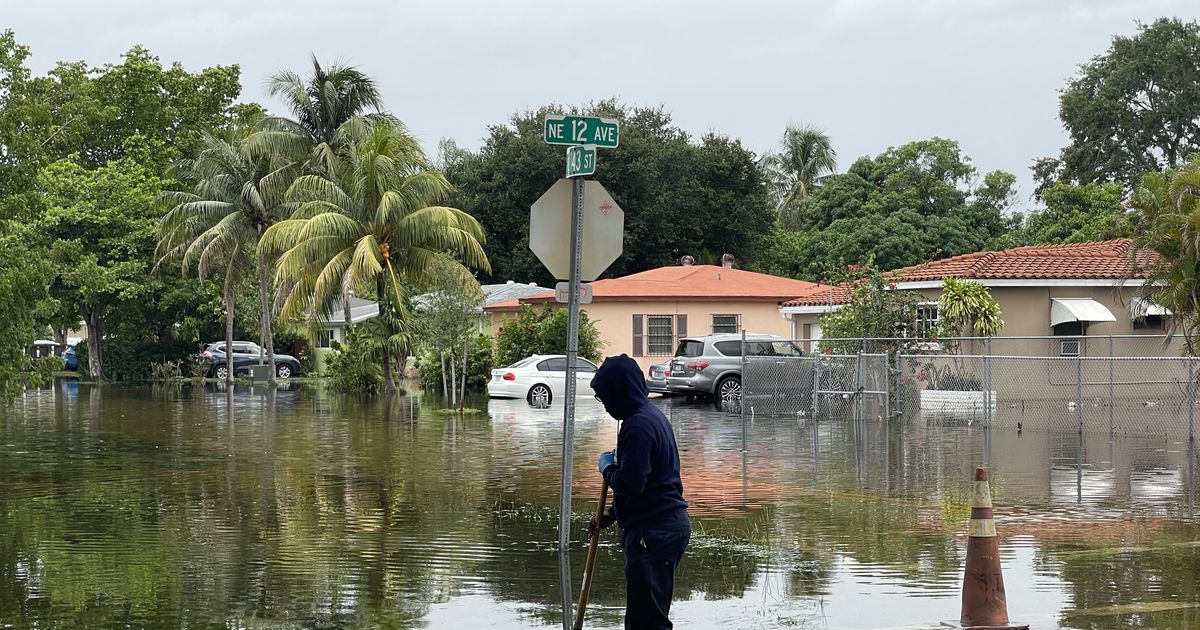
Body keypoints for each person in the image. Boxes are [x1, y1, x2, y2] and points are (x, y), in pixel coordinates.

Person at [589, 354, 689, 630]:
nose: (606, 405)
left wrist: (607, 468)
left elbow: (632, 484)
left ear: (622, 392)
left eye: (606, 397)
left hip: (654, 532)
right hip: (661, 527)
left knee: (647, 623)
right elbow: (647, 483)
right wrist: (613, 513)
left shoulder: (638, 426)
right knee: (641, 618)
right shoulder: (649, 415)